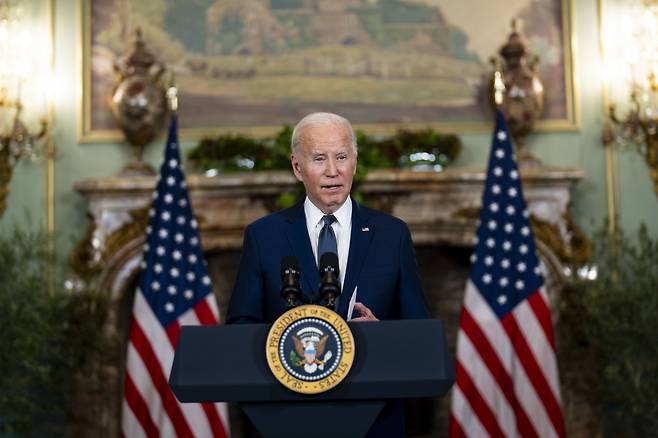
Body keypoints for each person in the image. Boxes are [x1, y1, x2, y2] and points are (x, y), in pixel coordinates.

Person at [226, 112, 430, 437]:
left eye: (342, 157)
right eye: (319, 158)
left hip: (374, 421)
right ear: (297, 167)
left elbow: (420, 335)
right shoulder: (263, 236)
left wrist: (383, 336)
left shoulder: (392, 235)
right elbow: (239, 329)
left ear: (355, 162)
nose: (333, 171)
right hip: (287, 419)